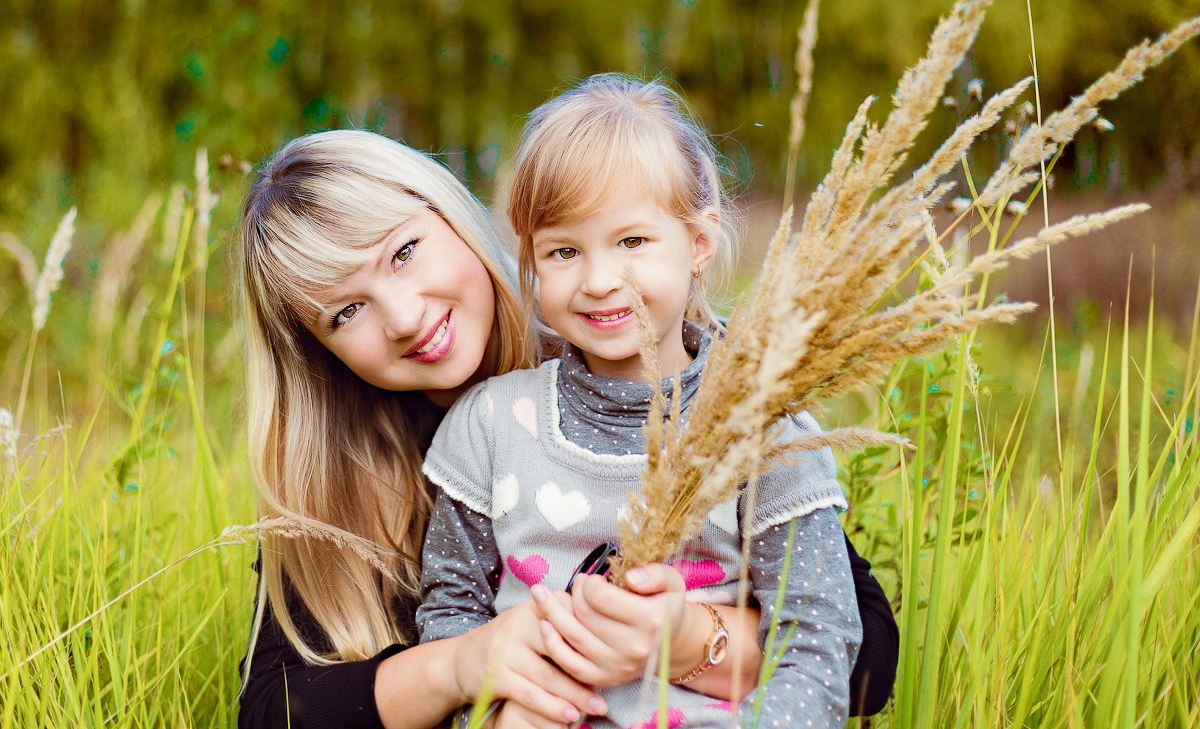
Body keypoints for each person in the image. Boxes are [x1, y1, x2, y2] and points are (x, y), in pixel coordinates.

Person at [236, 128, 897, 729]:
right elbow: (271, 710)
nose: (404, 317)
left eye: (403, 253)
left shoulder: (627, 363)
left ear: (453, 216)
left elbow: (864, 654)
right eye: (346, 312)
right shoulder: (335, 474)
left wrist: (682, 641)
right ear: (318, 349)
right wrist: (462, 669)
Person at [416, 74, 865, 729]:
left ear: (699, 244)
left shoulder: (764, 433)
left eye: (632, 242)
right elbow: (450, 615)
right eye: (563, 251)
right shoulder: (489, 426)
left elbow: (819, 646)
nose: (600, 280)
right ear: (531, 261)